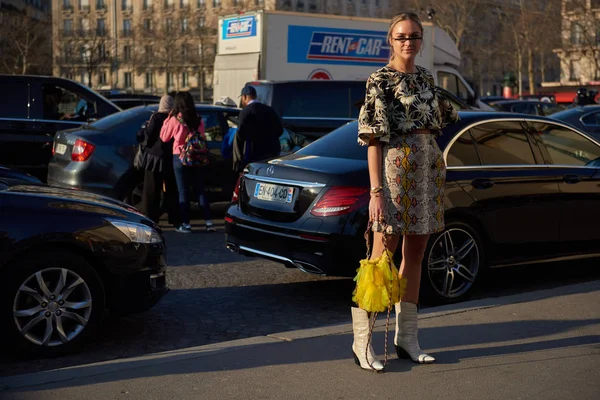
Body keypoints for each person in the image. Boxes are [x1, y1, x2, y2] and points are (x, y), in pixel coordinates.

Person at [353, 12, 459, 372]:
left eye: (414, 36)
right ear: (390, 40)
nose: (408, 42)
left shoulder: (427, 77)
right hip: (395, 174)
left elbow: (445, 117)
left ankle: (407, 339)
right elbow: (372, 139)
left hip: (427, 171)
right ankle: (362, 342)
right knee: (381, 257)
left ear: (421, 40)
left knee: (415, 255)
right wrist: (375, 191)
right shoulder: (379, 80)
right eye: (401, 37)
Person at [160, 91, 216, 233]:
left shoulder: (175, 119)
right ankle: (209, 222)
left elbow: (164, 137)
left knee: (183, 191)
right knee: (200, 190)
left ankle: (186, 224)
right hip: (196, 156)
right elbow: (202, 137)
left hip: (179, 157)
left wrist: (168, 118)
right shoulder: (198, 119)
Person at [136, 95, 180, 226]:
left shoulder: (156, 118)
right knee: (172, 191)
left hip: (154, 158)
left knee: (151, 190)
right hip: (170, 158)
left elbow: (148, 138)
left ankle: (151, 218)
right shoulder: (175, 118)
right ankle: (174, 218)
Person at [232, 85, 283, 173]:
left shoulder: (245, 112)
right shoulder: (270, 110)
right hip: (272, 151)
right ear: (255, 96)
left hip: (255, 153)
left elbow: (240, 134)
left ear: (244, 97)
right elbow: (280, 130)